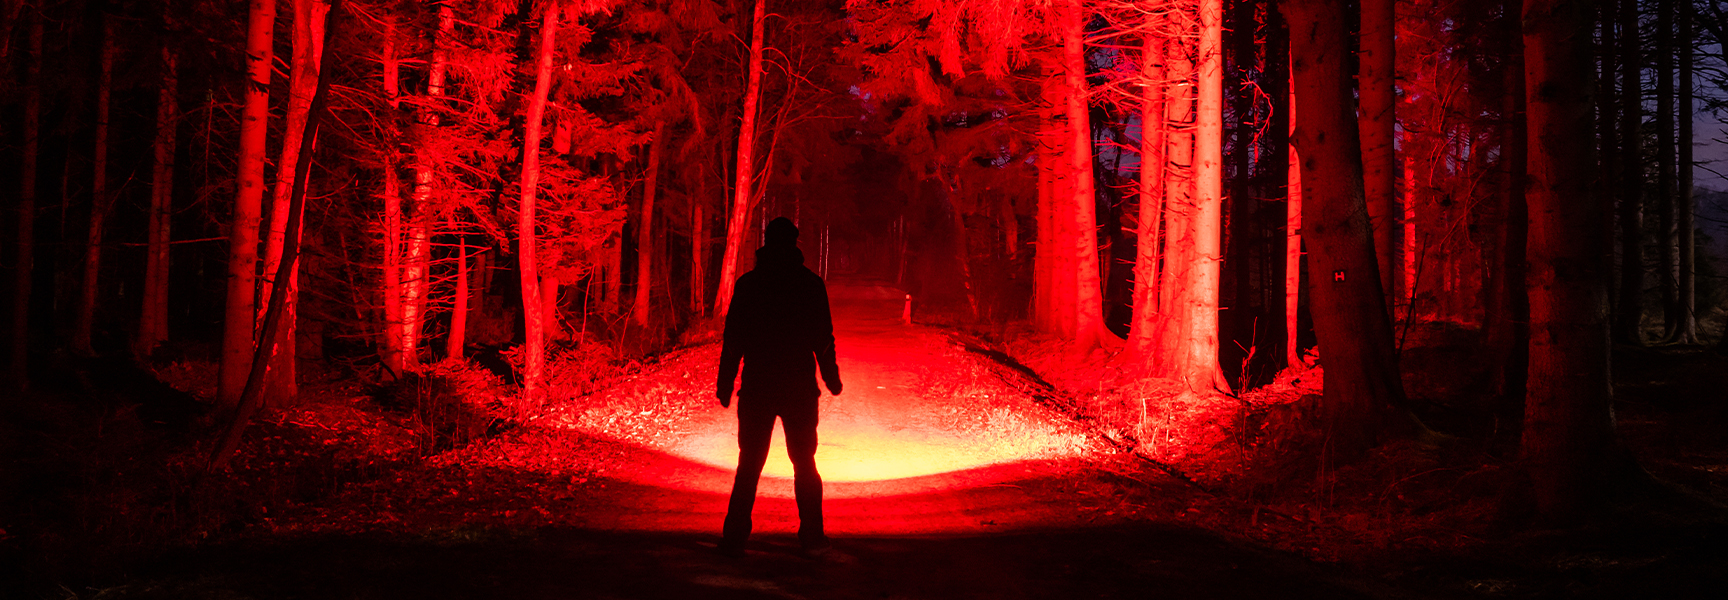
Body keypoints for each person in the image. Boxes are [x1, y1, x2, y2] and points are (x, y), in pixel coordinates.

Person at [716, 217, 842, 557]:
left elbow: (734, 339)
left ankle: (735, 536)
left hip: (758, 385)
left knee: (750, 463)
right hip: (799, 386)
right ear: (794, 244)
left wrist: (726, 381)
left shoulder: (749, 285)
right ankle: (812, 536)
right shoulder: (810, 285)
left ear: (767, 243)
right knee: (804, 461)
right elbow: (823, 338)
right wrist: (830, 377)